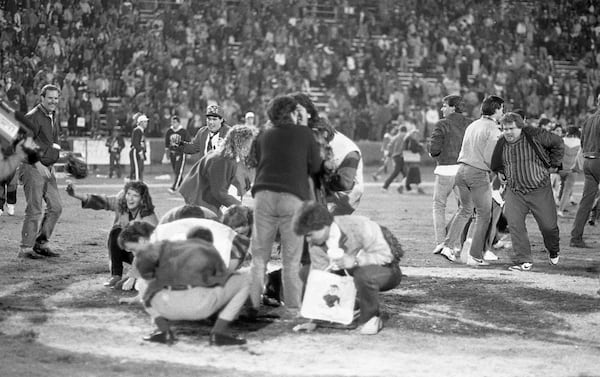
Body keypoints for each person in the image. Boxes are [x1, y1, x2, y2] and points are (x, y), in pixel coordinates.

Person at [117, 221, 250, 346]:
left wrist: (141, 298)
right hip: (200, 307)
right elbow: (219, 279)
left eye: (133, 250)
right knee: (245, 277)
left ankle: (164, 332)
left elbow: (151, 283)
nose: (135, 254)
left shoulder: (155, 253)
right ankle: (218, 333)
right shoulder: (206, 250)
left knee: (144, 282)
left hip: (167, 308)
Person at [249, 95, 323, 316]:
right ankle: (292, 308)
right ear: (292, 112)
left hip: (263, 196)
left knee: (259, 257)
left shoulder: (263, 135)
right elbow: (316, 166)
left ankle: (252, 304)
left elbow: (258, 160)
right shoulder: (304, 133)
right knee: (291, 259)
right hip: (292, 197)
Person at [292, 201, 403, 335]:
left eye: (309, 234)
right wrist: (313, 320)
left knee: (364, 275)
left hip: (387, 269)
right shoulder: (316, 244)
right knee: (308, 273)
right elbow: (320, 279)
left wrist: (356, 261)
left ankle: (370, 318)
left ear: (323, 226)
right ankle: (353, 303)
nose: (308, 240)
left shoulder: (359, 225)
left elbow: (387, 256)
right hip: (353, 272)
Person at [490, 112, 563, 271]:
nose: (507, 132)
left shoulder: (535, 134)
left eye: (511, 128)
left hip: (539, 189)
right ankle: (524, 260)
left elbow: (558, 141)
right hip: (515, 191)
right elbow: (495, 162)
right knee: (515, 225)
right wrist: (500, 172)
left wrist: (554, 164)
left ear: (520, 127)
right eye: (504, 129)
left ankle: (553, 249)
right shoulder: (502, 142)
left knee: (548, 227)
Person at [438, 95, 504, 266]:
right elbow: (490, 158)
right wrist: (500, 171)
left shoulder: (473, 124)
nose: (502, 112)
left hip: (461, 170)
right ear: (496, 109)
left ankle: (448, 245)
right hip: (478, 173)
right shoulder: (494, 130)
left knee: (465, 210)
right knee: (484, 215)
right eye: (502, 109)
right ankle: (474, 255)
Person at [65, 180, 158, 287]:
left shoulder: (149, 218)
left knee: (131, 284)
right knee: (116, 231)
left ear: (142, 199)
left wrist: (133, 275)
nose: (130, 199)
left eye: (135, 196)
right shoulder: (121, 202)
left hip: (149, 257)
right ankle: (116, 274)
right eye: (128, 194)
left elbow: (148, 250)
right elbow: (102, 201)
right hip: (132, 252)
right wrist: (75, 194)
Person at [19, 84, 63, 259]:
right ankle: (25, 248)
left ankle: (41, 243)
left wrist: (55, 160)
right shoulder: (33, 117)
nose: (53, 101)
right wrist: (39, 164)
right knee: (35, 208)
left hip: (47, 169)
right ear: (42, 98)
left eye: (56, 98)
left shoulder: (52, 115)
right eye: (50, 98)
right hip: (32, 167)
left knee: (56, 207)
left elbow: (51, 143)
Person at [178, 125, 255, 216]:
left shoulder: (229, 156)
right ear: (240, 143)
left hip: (206, 193)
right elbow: (219, 192)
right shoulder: (221, 159)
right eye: (249, 144)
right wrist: (241, 207)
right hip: (199, 195)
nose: (250, 148)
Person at [428, 95, 471, 254]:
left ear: (453, 107)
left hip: (445, 170)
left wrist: (437, 156)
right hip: (463, 170)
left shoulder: (442, 124)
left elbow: (434, 150)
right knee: (464, 209)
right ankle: (452, 241)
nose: (442, 109)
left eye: (444, 106)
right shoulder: (470, 123)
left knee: (439, 206)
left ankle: (441, 241)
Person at [312, 118, 364, 215]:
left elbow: (345, 184)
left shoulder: (347, 151)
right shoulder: (326, 142)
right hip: (334, 191)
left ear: (324, 133)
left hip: (345, 196)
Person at [570, 94, 600, 248]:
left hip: (588, 162)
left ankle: (575, 238)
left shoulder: (589, 119)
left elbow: (582, 143)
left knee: (585, 202)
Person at [557, 127, 582, 217]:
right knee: (567, 190)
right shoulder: (580, 143)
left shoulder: (562, 140)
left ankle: (561, 202)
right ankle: (560, 210)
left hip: (562, 168)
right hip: (572, 169)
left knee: (563, 185)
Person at [164, 115, 191, 193]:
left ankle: (174, 187)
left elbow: (188, 142)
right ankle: (184, 185)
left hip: (181, 153)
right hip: (173, 153)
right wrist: (167, 154)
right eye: (172, 122)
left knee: (179, 170)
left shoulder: (183, 131)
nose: (173, 124)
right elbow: (166, 144)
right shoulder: (169, 131)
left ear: (179, 123)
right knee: (176, 171)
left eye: (175, 122)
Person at [381, 126, 407, 192]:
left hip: (395, 157)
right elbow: (405, 147)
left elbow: (389, 146)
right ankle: (385, 186)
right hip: (401, 156)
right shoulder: (404, 137)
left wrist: (389, 156)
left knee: (405, 174)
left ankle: (401, 186)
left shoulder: (395, 137)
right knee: (396, 173)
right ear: (405, 131)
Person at [401, 127, 426, 194]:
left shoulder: (408, 139)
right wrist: (420, 147)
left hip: (408, 159)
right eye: (415, 134)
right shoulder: (412, 140)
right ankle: (418, 188)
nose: (416, 135)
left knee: (411, 174)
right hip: (412, 160)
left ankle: (403, 186)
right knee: (414, 173)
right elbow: (413, 149)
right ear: (412, 134)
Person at [129, 114, 148, 181]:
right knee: (136, 169)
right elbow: (135, 143)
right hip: (136, 151)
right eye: (145, 122)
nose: (146, 123)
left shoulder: (141, 131)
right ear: (141, 122)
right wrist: (140, 152)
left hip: (139, 151)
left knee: (140, 169)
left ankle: (138, 182)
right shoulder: (137, 130)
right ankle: (135, 183)